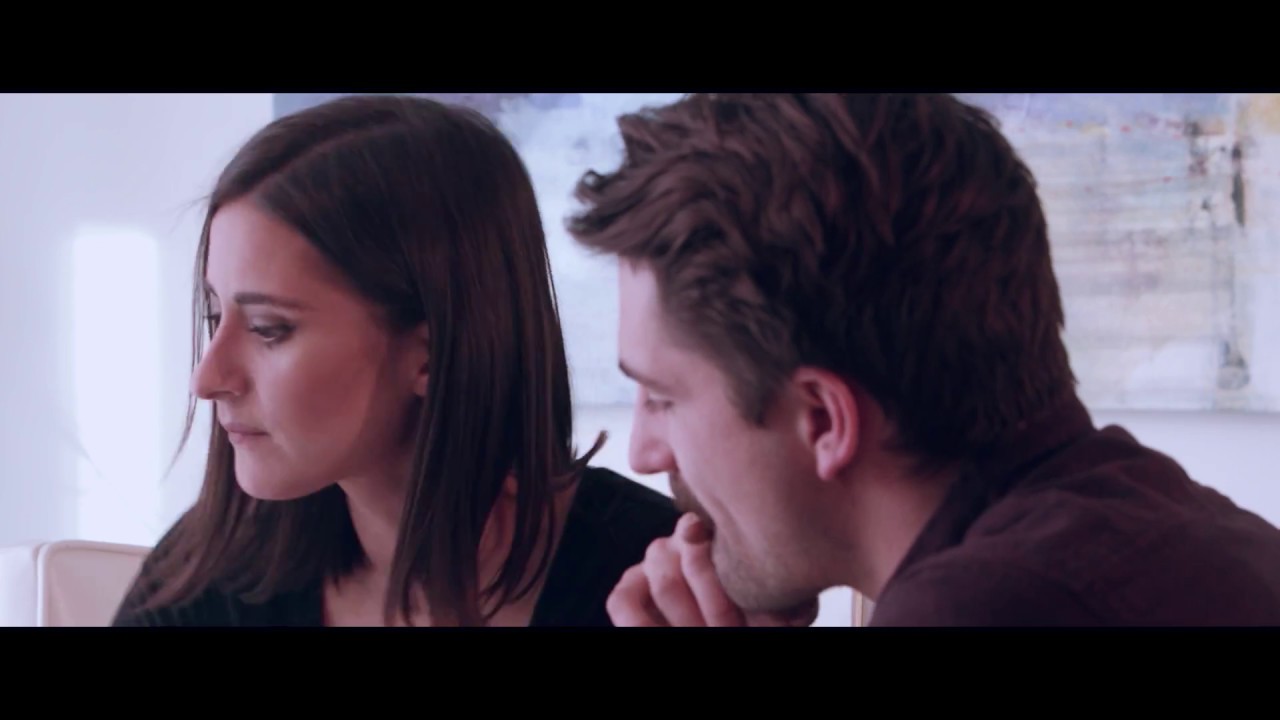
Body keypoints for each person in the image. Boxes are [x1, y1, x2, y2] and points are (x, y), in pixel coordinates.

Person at [565, 92, 1280, 626]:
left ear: (823, 419)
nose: (644, 453)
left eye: (662, 398)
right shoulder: (1181, 526)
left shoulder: (987, 607)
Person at [112, 94, 678, 627]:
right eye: (214, 316)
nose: (207, 378)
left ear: (431, 355)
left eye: (269, 329)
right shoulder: (211, 573)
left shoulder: (662, 587)